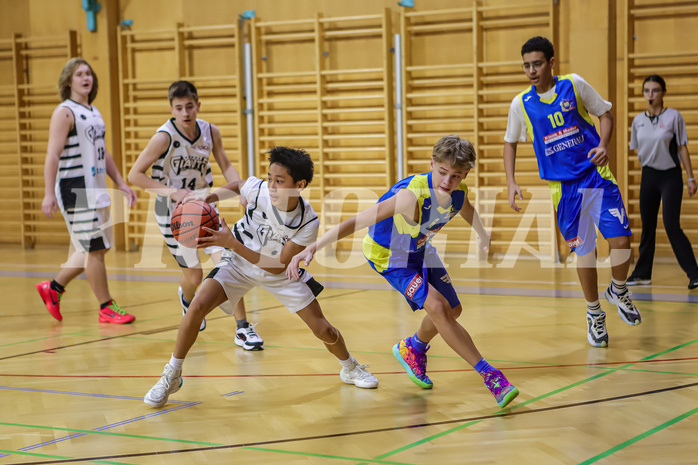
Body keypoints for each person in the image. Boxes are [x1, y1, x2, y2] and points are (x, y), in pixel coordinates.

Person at [287, 135, 519, 409]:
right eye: (442, 172)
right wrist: (312, 247)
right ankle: (490, 376)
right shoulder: (410, 196)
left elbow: (466, 209)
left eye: (455, 176)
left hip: (419, 248)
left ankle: (413, 348)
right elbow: (357, 220)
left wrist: (482, 233)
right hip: (390, 255)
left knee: (452, 312)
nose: (447, 181)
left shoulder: (459, 191)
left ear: (465, 174)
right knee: (438, 308)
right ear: (431, 163)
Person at [144, 146, 377, 407]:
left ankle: (350, 366)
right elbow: (238, 185)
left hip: (278, 271)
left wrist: (231, 243)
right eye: (270, 178)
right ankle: (172, 374)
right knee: (196, 307)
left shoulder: (308, 222)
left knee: (322, 327)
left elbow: (277, 265)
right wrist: (206, 201)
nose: (272, 186)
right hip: (238, 263)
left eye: (280, 181)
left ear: (299, 185)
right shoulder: (258, 189)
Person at [503, 36, 641, 348]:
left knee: (621, 240)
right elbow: (509, 142)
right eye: (526, 65)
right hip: (563, 190)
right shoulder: (521, 103)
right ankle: (594, 314)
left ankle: (618, 289)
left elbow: (605, 114)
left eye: (537, 63)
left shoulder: (574, 84)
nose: (531, 70)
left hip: (596, 176)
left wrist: (604, 144)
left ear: (551, 63)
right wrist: (511, 181)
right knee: (585, 253)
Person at [128, 81, 262, 348]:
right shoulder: (164, 137)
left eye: (190, 106)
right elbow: (135, 175)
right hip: (172, 211)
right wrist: (173, 192)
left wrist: (241, 190)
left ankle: (243, 328)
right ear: (172, 109)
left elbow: (226, 164)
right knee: (195, 276)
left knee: (228, 262)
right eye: (179, 108)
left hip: (203, 204)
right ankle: (188, 299)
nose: (186, 112)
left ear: (198, 105)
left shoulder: (210, 131)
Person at [36, 58, 137, 324]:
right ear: (69, 80)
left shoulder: (94, 112)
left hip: (96, 185)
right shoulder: (64, 112)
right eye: (79, 74)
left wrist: (121, 182)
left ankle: (53, 288)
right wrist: (48, 192)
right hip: (74, 185)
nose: (86, 78)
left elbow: (103, 154)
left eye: (89, 73)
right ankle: (106, 307)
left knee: (96, 248)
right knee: (93, 248)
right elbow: (52, 155)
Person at [626, 75, 698, 289]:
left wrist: (690, 177)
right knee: (647, 226)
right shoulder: (637, 121)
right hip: (649, 176)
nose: (650, 94)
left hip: (670, 176)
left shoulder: (674, 117)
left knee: (671, 225)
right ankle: (642, 274)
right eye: (647, 90)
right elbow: (639, 149)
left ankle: (694, 273)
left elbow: (682, 148)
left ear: (663, 93)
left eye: (655, 90)